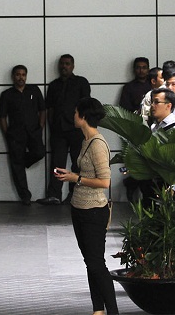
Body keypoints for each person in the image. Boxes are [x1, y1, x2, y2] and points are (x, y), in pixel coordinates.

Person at [54, 97, 118, 315]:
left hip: (93, 211)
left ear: (83, 116)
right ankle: (97, 310)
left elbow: (105, 182)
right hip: (79, 208)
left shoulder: (98, 144)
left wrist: (75, 178)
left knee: (96, 264)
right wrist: (71, 176)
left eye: (75, 112)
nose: (73, 116)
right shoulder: (85, 141)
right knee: (91, 263)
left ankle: (112, 311)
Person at [39, 54, 91, 205]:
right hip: (58, 130)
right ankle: (54, 195)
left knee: (77, 164)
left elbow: (86, 105)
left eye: (67, 64)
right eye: (62, 64)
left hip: (76, 130)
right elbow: (50, 108)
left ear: (73, 66)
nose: (64, 66)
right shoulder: (54, 85)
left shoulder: (81, 82)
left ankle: (74, 195)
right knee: (57, 164)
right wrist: (52, 127)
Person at [0, 64, 46, 205]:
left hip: (34, 132)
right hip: (15, 134)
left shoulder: (34, 90)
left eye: (23, 75)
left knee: (39, 152)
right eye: (18, 75)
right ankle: (25, 196)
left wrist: (41, 126)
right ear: (13, 77)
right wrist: (7, 133)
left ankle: (23, 161)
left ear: (26, 76)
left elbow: (43, 110)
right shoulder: (7, 94)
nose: (21, 77)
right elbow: (2, 117)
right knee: (16, 166)